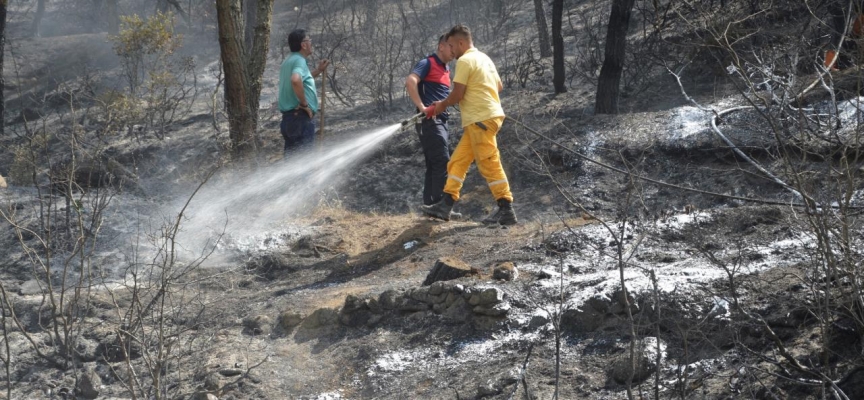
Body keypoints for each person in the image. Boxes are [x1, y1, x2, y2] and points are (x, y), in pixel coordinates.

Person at [420, 24, 517, 226]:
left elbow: (457, 94)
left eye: (452, 46)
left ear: (461, 42)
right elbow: (498, 86)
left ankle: (506, 208)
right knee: (458, 161)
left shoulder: (464, 60)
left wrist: (441, 106)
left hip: (481, 119)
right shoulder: (484, 58)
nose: (451, 51)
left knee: (489, 163)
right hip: (481, 119)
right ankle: (445, 205)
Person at [405, 34, 454, 207]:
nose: (454, 51)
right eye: (451, 46)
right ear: (441, 46)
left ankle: (430, 206)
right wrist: (422, 107)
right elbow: (410, 81)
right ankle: (440, 204)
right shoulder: (427, 63)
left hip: (441, 120)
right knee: (441, 160)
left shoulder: (446, 69)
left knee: (434, 163)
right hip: (430, 121)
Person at [278, 29, 329, 156]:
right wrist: (305, 105)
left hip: (289, 120)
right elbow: (295, 80)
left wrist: (318, 70)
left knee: (292, 164)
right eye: (309, 40)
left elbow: (302, 80)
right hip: (300, 118)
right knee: (304, 164)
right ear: (303, 45)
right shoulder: (299, 61)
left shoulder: (288, 61)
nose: (311, 43)